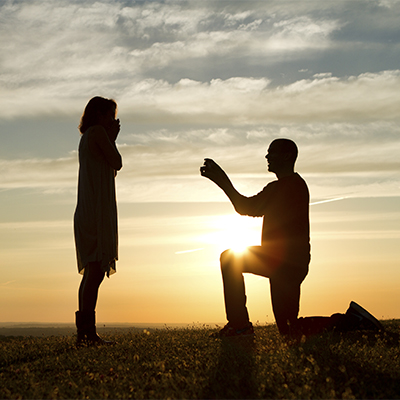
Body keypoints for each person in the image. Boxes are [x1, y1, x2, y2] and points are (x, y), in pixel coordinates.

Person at [200, 138, 383, 338]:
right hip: (288, 263)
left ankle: (240, 326)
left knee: (230, 258)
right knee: (289, 330)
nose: (267, 156)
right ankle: (353, 321)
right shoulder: (294, 185)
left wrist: (221, 179)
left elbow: (244, 207)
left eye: (272, 152)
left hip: (284, 264)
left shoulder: (285, 187)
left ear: (287, 156)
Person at [74, 96, 122, 345]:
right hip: (97, 212)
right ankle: (88, 333)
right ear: (100, 115)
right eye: (111, 116)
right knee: (95, 272)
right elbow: (117, 163)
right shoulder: (99, 134)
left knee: (92, 271)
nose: (114, 121)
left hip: (88, 210)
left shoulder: (86, 138)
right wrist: (113, 138)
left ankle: (85, 331)